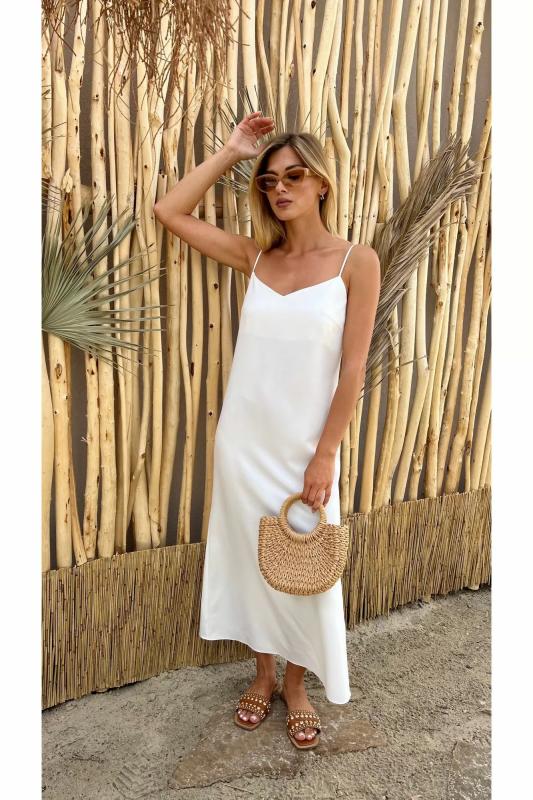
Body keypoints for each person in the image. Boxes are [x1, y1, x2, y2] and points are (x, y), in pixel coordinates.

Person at [154, 112, 380, 748]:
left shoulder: (356, 262)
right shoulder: (256, 257)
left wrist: (326, 454)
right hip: (244, 443)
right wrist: (233, 152)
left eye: (295, 176)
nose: (280, 188)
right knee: (253, 561)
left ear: (322, 183)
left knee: (305, 563)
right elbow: (169, 211)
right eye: (270, 180)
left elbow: (353, 369)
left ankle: (296, 684)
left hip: (305, 447)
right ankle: (261, 673)